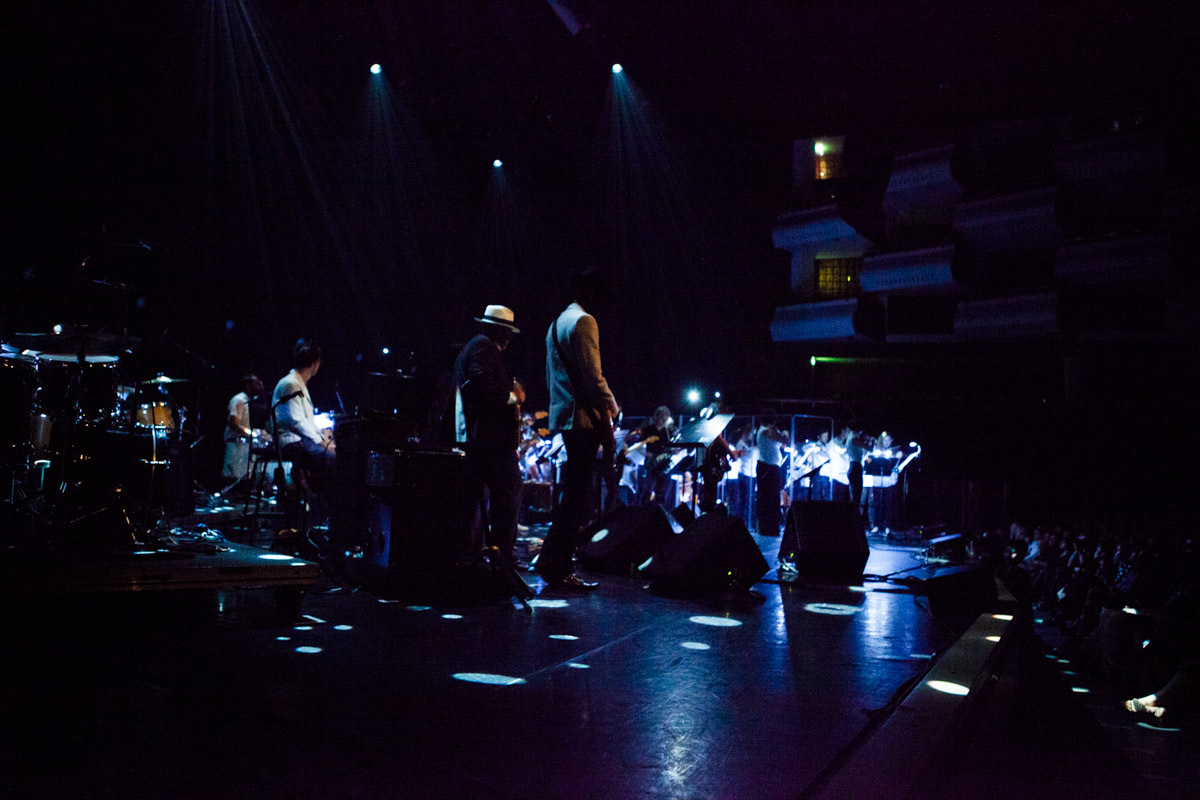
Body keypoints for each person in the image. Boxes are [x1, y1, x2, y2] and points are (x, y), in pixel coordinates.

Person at [538, 270, 620, 590]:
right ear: (588, 294)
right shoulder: (584, 322)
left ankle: (552, 560)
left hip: (566, 417)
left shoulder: (556, 323)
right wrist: (612, 409)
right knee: (577, 499)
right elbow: (593, 377)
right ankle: (558, 566)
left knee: (572, 496)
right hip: (583, 419)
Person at [453, 305, 525, 565]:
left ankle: (480, 553)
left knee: (477, 499)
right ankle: (501, 555)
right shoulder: (483, 346)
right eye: (508, 333)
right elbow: (481, 384)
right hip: (489, 441)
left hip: (482, 440)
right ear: (501, 331)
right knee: (509, 491)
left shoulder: (477, 346)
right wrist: (512, 396)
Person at [272, 339, 335, 491]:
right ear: (316, 364)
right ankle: (322, 502)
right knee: (332, 459)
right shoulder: (291, 383)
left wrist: (325, 442)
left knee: (334, 455)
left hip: (300, 440)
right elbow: (296, 421)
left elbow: (307, 421)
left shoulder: (299, 383)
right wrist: (323, 444)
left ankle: (316, 498)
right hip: (290, 441)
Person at [221, 374, 268, 494]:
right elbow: (233, 423)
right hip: (236, 445)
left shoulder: (249, 402)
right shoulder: (239, 400)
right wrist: (252, 433)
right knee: (234, 479)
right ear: (248, 386)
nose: (260, 386)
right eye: (257, 384)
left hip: (245, 445)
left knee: (245, 480)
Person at [628, 405, 676, 506]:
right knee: (647, 489)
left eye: (667, 415)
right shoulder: (648, 429)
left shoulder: (668, 431)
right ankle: (642, 511)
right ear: (658, 416)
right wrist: (645, 453)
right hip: (651, 462)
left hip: (663, 463)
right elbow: (638, 444)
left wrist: (675, 451)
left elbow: (672, 446)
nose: (665, 418)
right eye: (663, 415)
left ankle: (661, 511)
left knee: (662, 490)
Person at [754, 419, 788, 536]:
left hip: (772, 468)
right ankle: (766, 528)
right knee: (767, 500)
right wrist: (784, 433)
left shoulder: (768, 432)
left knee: (773, 500)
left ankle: (772, 528)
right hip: (767, 468)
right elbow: (784, 439)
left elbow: (783, 444)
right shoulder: (764, 431)